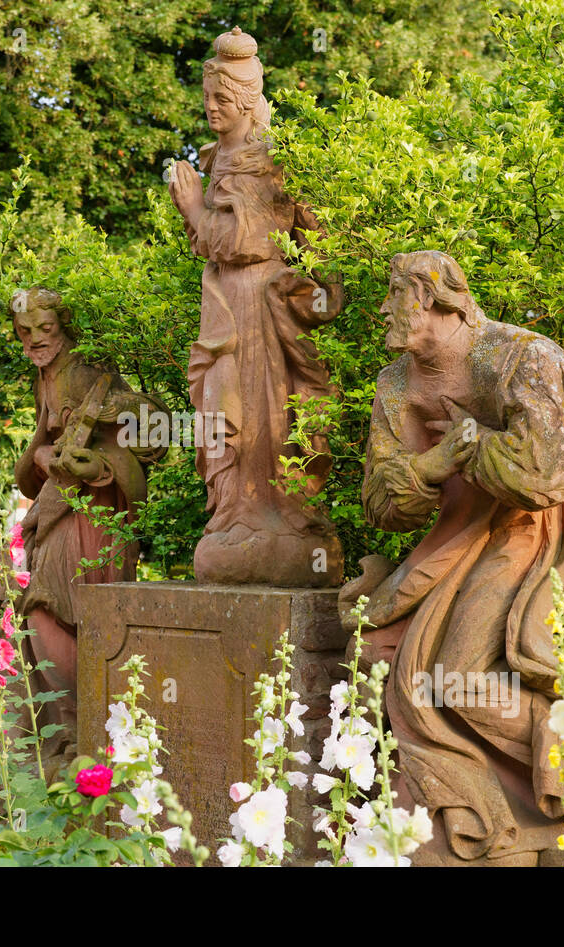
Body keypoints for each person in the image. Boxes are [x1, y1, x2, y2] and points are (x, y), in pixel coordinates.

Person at [339, 250, 564, 864]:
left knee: (459, 678)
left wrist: (475, 446)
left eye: (393, 294)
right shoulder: (395, 384)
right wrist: (431, 466)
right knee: (376, 647)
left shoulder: (521, 356)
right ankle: (463, 813)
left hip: (517, 535)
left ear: (433, 298)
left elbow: (550, 472)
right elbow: (381, 503)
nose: (382, 309)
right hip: (447, 543)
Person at [167, 27, 344, 587]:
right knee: (222, 410)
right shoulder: (215, 156)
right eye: (207, 100)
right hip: (225, 303)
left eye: (221, 99)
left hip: (265, 304)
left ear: (245, 100)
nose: (211, 109)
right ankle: (234, 514)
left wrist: (195, 211)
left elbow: (249, 242)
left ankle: (282, 518)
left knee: (272, 411)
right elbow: (221, 245)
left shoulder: (272, 159)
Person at [10, 287, 165, 769]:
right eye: (25, 331)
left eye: (46, 329)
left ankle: (87, 732)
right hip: (62, 508)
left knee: (60, 610)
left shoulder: (84, 373)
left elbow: (152, 433)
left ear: (64, 327)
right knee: (47, 612)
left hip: (93, 515)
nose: (35, 340)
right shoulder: (47, 378)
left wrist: (95, 463)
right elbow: (35, 458)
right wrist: (41, 455)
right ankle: (70, 733)